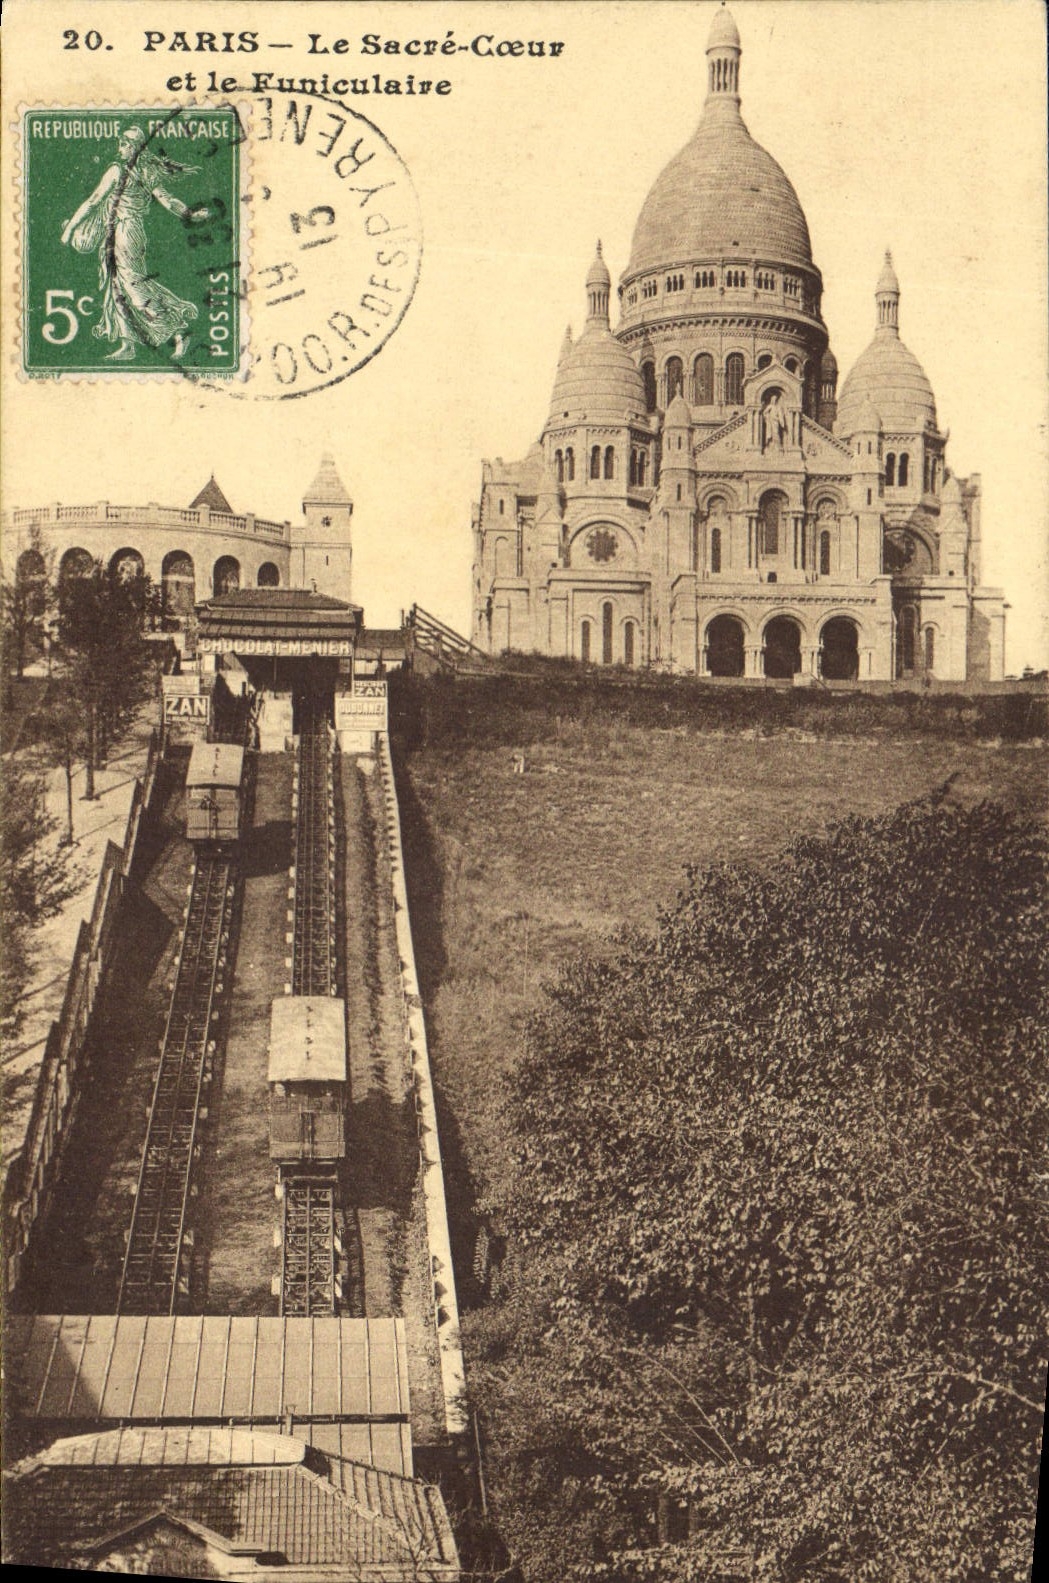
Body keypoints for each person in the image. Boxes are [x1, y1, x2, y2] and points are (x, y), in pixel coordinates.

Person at [60, 126, 210, 361]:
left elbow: (92, 201)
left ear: (134, 147)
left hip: (125, 232)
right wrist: (189, 213)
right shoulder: (147, 172)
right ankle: (128, 345)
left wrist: (69, 229)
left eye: (123, 144)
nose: (119, 149)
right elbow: (168, 201)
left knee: (133, 286)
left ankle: (178, 329)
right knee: (116, 287)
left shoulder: (118, 171)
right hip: (124, 231)